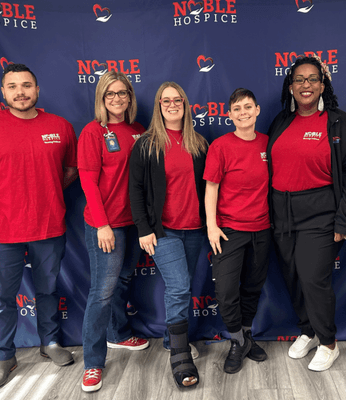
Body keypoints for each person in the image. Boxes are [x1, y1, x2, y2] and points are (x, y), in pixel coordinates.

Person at [0, 63, 77, 389]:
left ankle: (50, 343)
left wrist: (47, 194)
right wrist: (0, 198)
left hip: (49, 226)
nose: (20, 91)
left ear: (37, 90)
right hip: (2, 231)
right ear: (3, 93)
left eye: (26, 85)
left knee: (48, 291)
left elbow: (71, 169)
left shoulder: (60, 126)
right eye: (13, 86)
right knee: (1, 298)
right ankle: (4, 356)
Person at [267, 55, 346, 371]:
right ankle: (308, 330)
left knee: (312, 277)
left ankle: (328, 342)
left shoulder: (338, 121)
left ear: (322, 85)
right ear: (290, 86)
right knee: (293, 277)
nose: (305, 85)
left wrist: (344, 218)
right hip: (282, 212)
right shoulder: (280, 121)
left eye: (312, 79)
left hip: (321, 213)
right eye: (299, 79)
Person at [129, 82, 208, 388]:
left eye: (178, 100)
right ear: (159, 106)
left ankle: (168, 337)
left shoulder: (198, 143)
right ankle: (178, 352)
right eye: (166, 100)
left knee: (182, 287)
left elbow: (210, 188)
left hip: (194, 229)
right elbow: (135, 190)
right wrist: (144, 229)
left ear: (186, 105)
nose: (172, 104)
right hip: (163, 231)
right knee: (178, 287)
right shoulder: (147, 144)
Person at [78, 71, 149, 392]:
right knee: (102, 292)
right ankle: (93, 364)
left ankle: (118, 334)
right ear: (101, 99)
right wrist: (102, 225)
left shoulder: (138, 130)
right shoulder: (93, 132)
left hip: (134, 223)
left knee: (122, 281)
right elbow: (88, 182)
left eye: (123, 93)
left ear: (130, 98)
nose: (118, 99)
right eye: (111, 94)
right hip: (104, 224)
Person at [204, 88, 270, 374]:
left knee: (252, 288)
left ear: (257, 110)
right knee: (227, 291)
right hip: (229, 230)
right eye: (237, 109)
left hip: (263, 229)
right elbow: (211, 188)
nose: (243, 112)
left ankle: (246, 335)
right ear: (229, 115)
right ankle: (236, 341)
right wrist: (212, 226)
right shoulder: (220, 146)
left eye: (247, 107)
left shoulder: (269, 143)